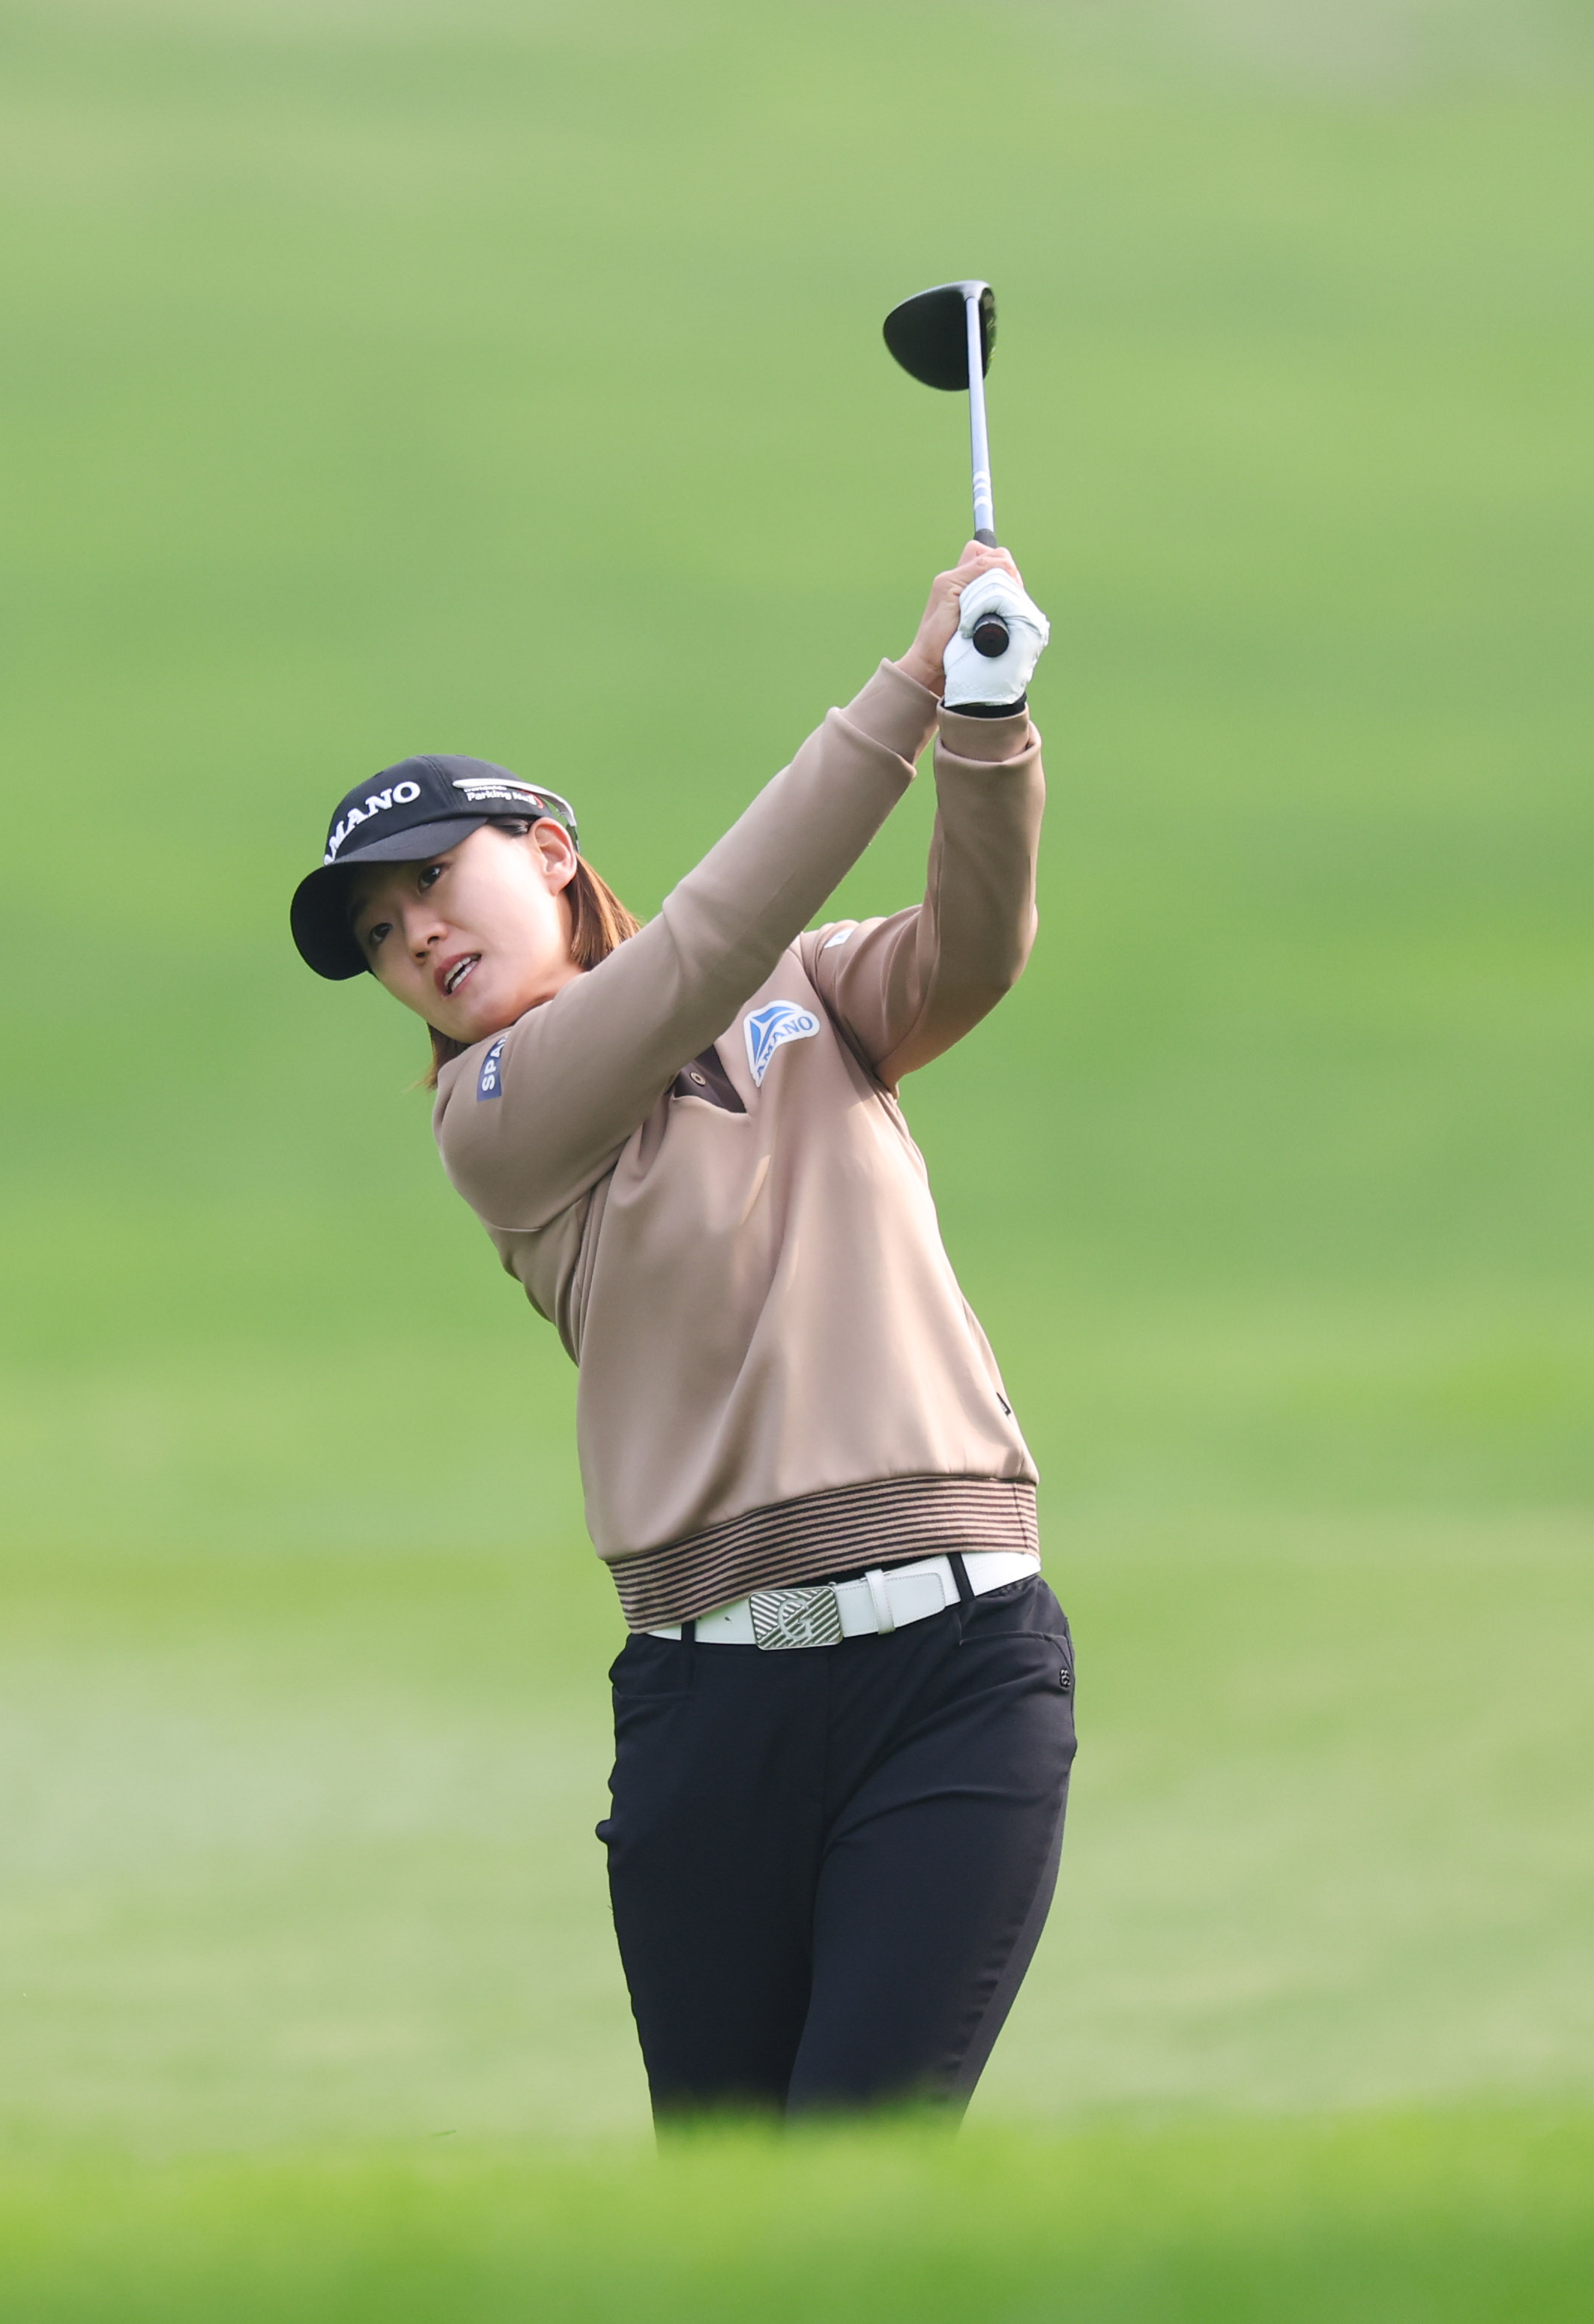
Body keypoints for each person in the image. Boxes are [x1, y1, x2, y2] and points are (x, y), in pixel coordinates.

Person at [286, 543, 1068, 2122]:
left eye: (432, 881)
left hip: (956, 1669)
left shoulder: (808, 993)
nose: (412, 937)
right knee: (730, 2209)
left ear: (549, 853)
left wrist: (987, 725)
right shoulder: (492, 1116)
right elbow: (698, 950)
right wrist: (909, 686)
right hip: (713, 1715)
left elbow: (971, 950)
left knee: (859, 2161)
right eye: (375, 935)